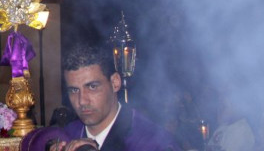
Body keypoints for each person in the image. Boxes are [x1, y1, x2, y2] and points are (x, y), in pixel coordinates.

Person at [22, 43, 180, 151]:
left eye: (92, 87)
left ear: (115, 82)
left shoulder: (152, 141)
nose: (82, 101)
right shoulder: (69, 134)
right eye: (74, 90)